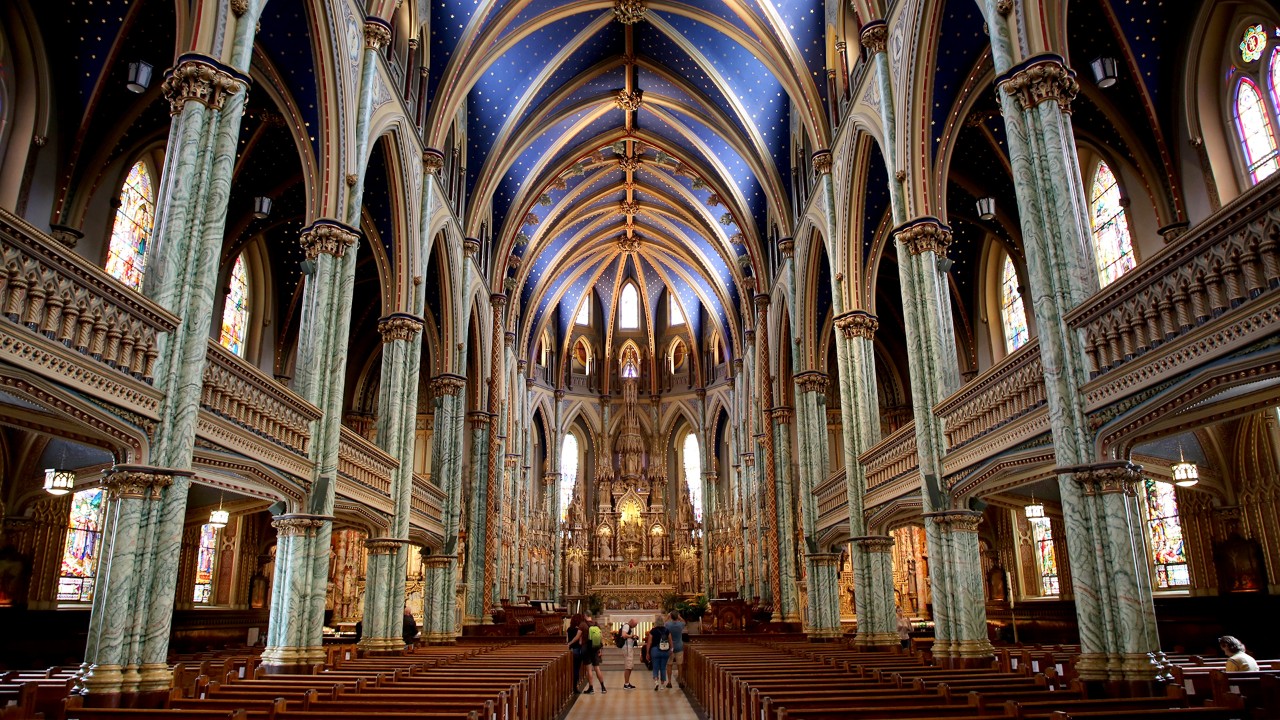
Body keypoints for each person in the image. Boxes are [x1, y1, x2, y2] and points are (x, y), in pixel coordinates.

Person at [645, 613, 671, 691]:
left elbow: (649, 642)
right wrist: (671, 649)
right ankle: (662, 685)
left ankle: (656, 682)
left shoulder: (653, 631)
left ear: (655, 622)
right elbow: (670, 640)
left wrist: (647, 652)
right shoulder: (667, 630)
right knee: (663, 667)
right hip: (665, 650)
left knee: (655, 667)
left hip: (655, 650)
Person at [567, 613, 590, 693]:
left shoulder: (569, 629)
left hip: (571, 650)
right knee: (576, 669)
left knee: (572, 669)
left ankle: (570, 686)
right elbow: (580, 642)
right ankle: (574, 687)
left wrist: (569, 644)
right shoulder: (580, 630)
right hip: (578, 650)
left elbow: (568, 640)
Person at [663, 610, 686, 689]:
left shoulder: (668, 625)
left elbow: (663, 623)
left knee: (669, 664)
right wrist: (679, 616)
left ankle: (669, 682)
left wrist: (668, 616)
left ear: (671, 617)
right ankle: (680, 681)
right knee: (680, 664)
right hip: (679, 646)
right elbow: (684, 622)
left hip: (670, 647)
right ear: (677, 617)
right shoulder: (680, 624)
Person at [585, 616, 607, 693]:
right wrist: (600, 650)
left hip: (588, 649)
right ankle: (603, 687)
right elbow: (601, 639)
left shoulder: (585, 626)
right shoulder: (597, 627)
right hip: (595, 649)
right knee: (597, 668)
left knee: (589, 669)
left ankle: (591, 688)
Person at [620, 617, 639, 689]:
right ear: (631, 622)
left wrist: (633, 637)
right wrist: (632, 636)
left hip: (629, 648)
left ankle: (627, 683)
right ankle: (626, 684)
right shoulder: (626, 626)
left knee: (630, 666)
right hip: (627, 649)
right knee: (628, 666)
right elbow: (624, 635)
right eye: (635, 625)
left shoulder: (629, 627)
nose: (635, 626)